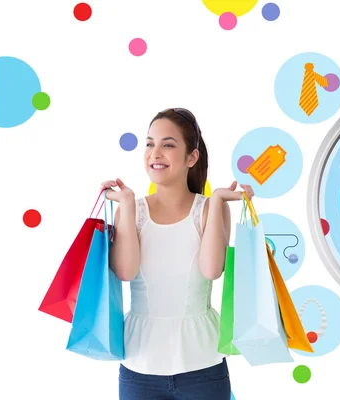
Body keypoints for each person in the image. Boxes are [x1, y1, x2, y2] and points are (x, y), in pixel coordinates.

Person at [100, 107, 254, 400]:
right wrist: (129, 204)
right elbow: (125, 271)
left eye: (168, 145)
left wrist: (219, 198)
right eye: (149, 144)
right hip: (139, 365)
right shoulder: (131, 210)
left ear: (191, 157)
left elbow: (212, 270)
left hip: (203, 367)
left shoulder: (210, 208)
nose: (155, 153)